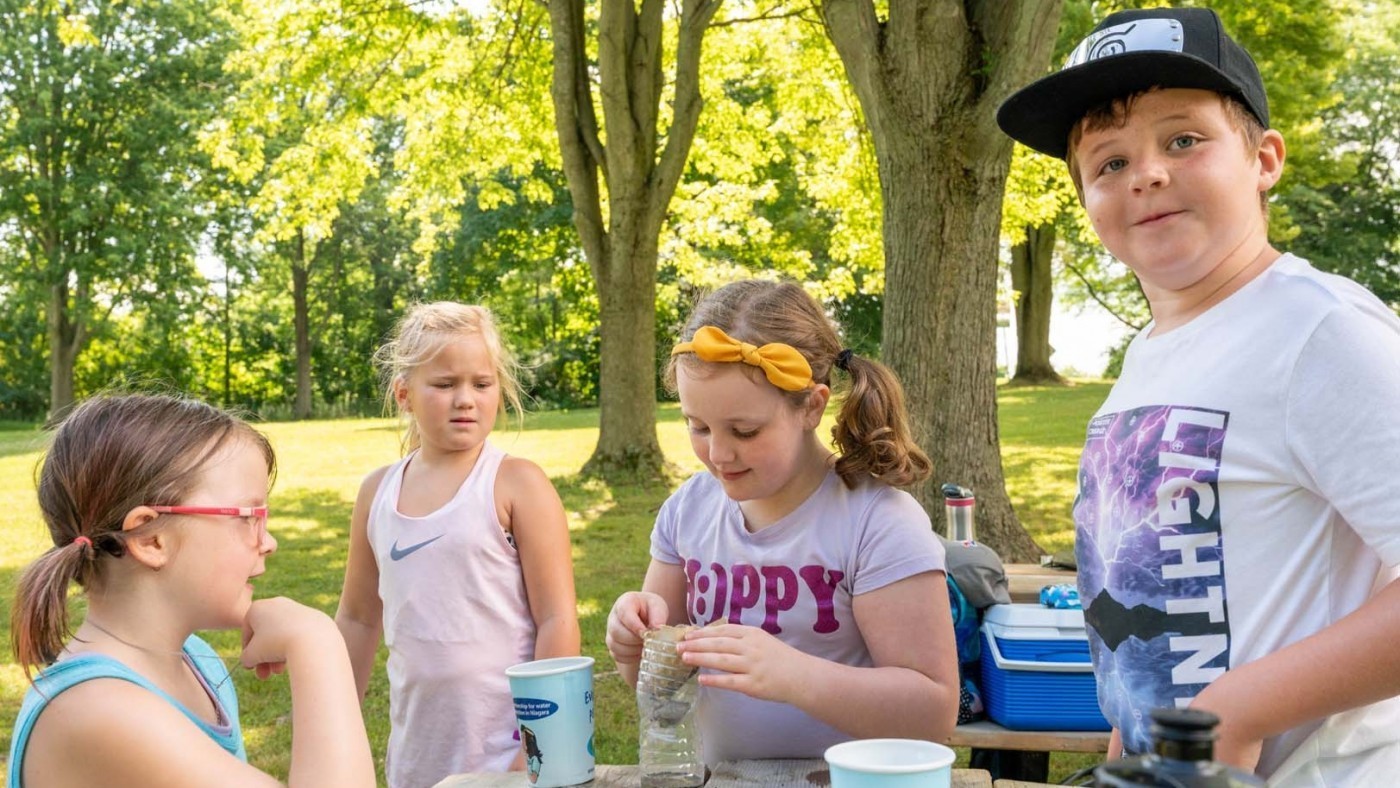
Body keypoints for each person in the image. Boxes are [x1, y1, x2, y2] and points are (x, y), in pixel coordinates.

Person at [998, 6, 1400, 785]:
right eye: (1107, 163)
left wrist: (1238, 709)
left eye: (1183, 139)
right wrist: (1132, 730)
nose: (1144, 173)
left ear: (1265, 160)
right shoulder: (1148, 359)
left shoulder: (1320, 331)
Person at [605, 280, 960, 762]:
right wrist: (633, 648)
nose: (718, 452)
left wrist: (795, 676)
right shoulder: (688, 511)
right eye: (698, 425)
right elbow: (660, 683)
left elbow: (933, 716)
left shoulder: (876, 522)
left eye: (745, 431)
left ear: (811, 406)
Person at [7, 393, 374, 788]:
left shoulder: (195, 659)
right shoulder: (97, 710)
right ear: (151, 539)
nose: (269, 542)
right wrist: (317, 643)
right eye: (250, 517)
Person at [336, 302, 580, 788]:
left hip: (511, 754)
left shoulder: (517, 483)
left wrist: (538, 745)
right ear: (403, 393)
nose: (465, 399)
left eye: (481, 384)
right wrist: (334, 723)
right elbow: (359, 619)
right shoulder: (377, 493)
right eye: (445, 385)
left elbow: (558, 619)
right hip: (417, 756)